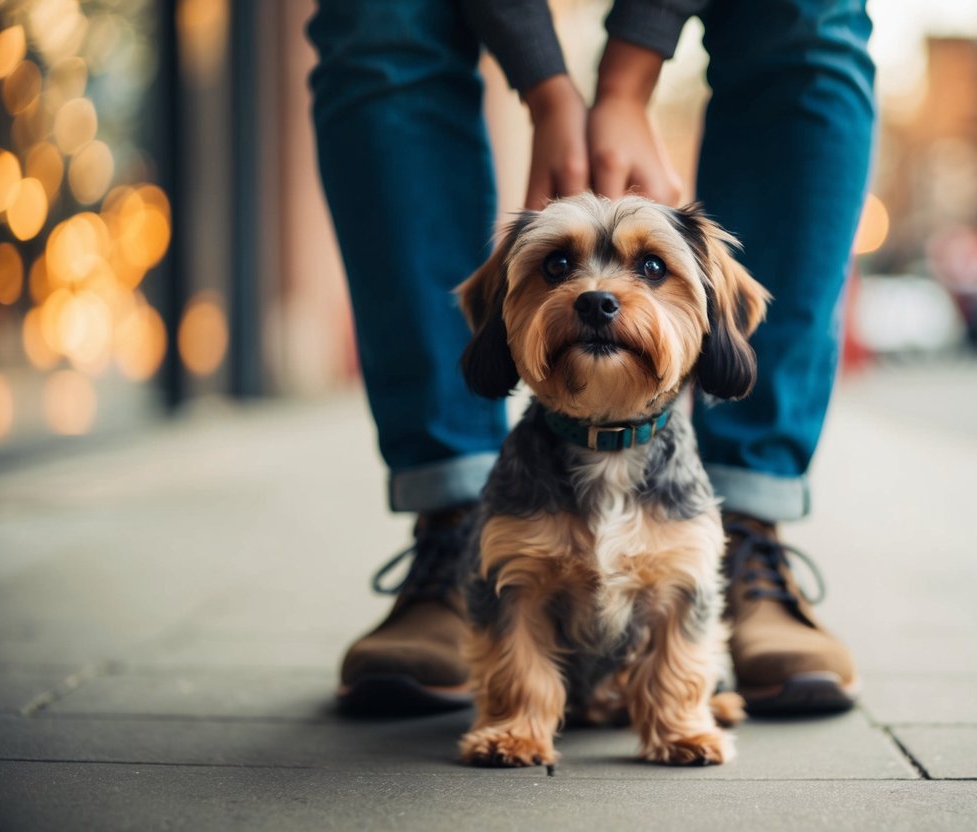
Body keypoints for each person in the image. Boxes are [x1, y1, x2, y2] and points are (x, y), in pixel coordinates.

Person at [307, 0, 875, 715]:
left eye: (650, 270)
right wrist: (546, 90)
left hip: (670, 488)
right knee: (378, 25)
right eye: (557, 269)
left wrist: (627, 84)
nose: (597, 296)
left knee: (806, 24)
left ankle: (748, 526)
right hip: (531, 486)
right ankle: (454, 526)